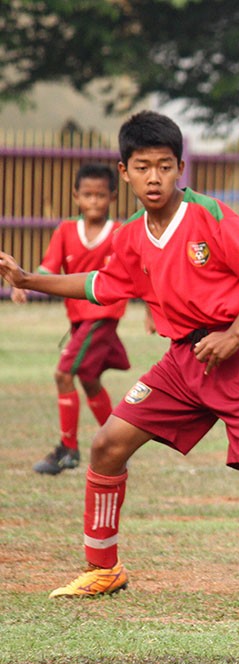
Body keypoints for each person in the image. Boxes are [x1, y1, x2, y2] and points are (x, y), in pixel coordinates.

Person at [0, 110, 239, 597]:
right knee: (107, 445)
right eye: (143, 167)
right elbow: (99, 284)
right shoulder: (130, 236)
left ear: (180, 167)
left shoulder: (210, 215)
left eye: (164, 166)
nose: (154, 178)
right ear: (125, 172)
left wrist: (233, 334)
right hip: (183, 360)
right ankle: (104, 567)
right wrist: (28, 280)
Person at [9, 164, 131, 475]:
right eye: (88, 195)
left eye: (100, 195)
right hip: (79, 321)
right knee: (89, 379)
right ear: (76, 196)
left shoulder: (121, 233)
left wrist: (153, 314)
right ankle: (118, 444)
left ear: (112, 197)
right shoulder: (65, 230)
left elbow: (139, 273)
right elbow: (48, 269)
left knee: (63, 374)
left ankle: (68, 450)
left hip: (103, 316)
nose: (94, 201)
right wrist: (24, 283)